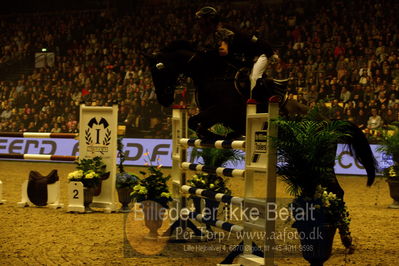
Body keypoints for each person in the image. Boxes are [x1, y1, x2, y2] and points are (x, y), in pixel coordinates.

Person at [194, 6, 282, 100]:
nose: (200, 25)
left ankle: (255, 105)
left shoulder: (222, 31)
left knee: (254, 77)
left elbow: (223, 51)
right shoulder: (216, 32)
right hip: (248, 56)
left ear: (209, 21)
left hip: (260, 53)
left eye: (202, 22)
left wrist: (206, 53)